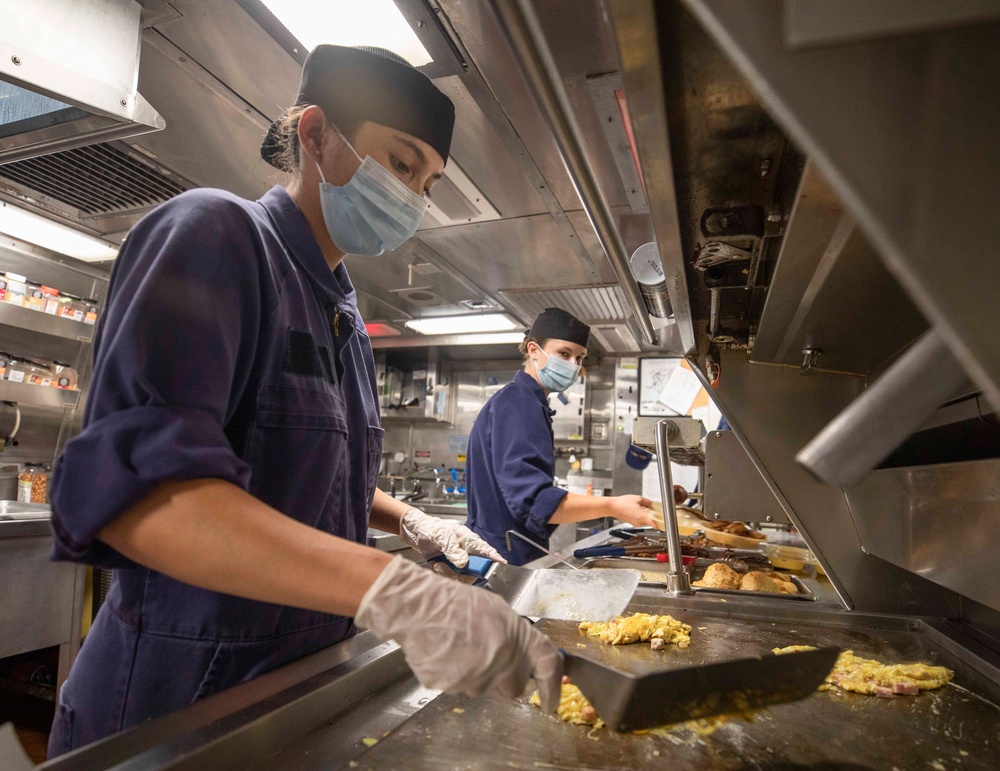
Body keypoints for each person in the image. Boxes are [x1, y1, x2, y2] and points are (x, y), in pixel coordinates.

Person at [46, 45, 560, 756]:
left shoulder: (341, 315)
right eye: (402, 163)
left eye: (429, 181)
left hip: (285, 693)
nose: (412, 195)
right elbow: (145, 499)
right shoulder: (216, 236)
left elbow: (304, 463)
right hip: (175, 704)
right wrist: (396, 591)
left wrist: (415, 522)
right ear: (315, 134)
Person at [465, 307, 658, 565]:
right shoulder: (519, 404)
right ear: (534, 350)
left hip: (506, 549)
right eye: (564, 354)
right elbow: (534, 502)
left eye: (579, 358)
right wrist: (613, 506)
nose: (573, 366)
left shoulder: (529, 403)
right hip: (503, 555)